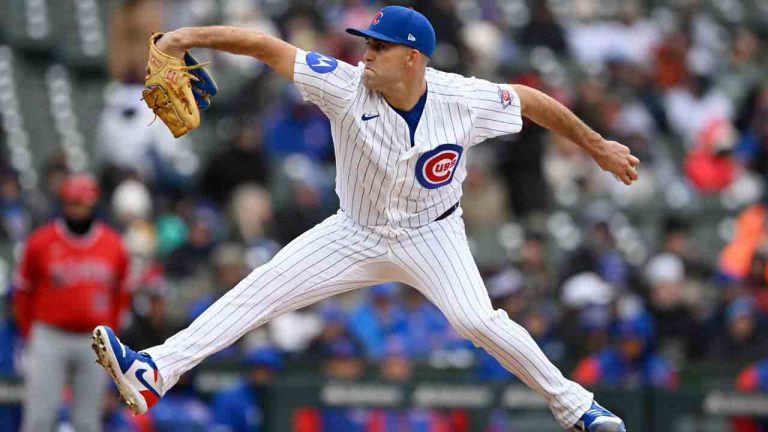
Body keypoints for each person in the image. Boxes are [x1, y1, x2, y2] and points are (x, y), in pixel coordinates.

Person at [92, 6, 639, 431]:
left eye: (379, 46)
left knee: (477, 321)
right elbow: (265, 46)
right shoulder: (342, 84)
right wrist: (184, 38)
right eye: (367, 44)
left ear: (413, 58)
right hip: (354, 231)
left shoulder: (462, 99)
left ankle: (579, 409)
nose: (366, 54)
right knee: (259, 291)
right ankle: (155, 370)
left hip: (433, 232)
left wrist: (596, 147)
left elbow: (530, 99)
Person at [13, 173, 130, 432]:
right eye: (73, 203)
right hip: (49, 335)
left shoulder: (113, 244)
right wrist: (29, 333)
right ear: (63, 203)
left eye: (83, 203)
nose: (78, 209)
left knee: (88, 421)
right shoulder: (41, 242)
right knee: (39, 418)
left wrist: (111, 333)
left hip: (93, 339)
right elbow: (23, 292)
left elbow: (122, 293)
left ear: (94, 204)